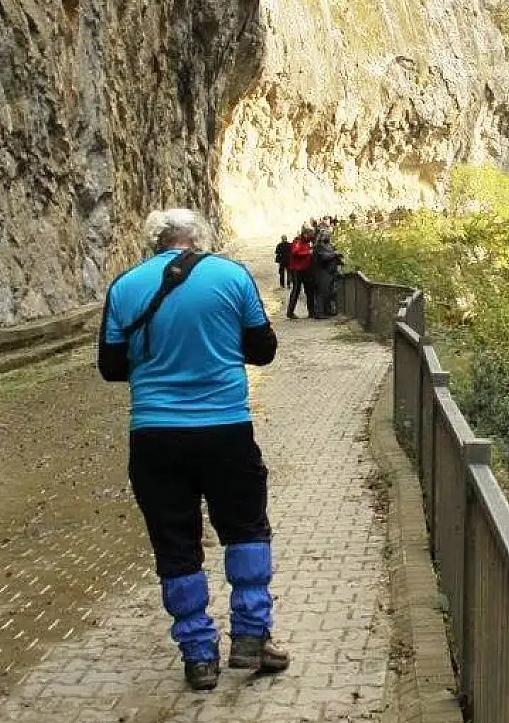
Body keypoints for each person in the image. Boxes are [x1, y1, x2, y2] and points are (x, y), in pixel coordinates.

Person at [98, 208, 288, 691]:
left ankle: (199, 657)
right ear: (199, 241)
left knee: (175, 543)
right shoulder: (232, 276)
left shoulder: (124, 287)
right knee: (245, 529)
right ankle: (249, 636)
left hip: (154, 437)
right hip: (225, 429)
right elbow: (263, 350)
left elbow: (111, 366)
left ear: (154, 243)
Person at [285, 229, 315, 319]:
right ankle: (290, 312)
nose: (310, 238)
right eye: (309, 236)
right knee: (296, 290)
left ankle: (311, 312)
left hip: (306, 269)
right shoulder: (298, 242)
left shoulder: (307, 243)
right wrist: (307, 253)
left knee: (309, 291)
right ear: (305, 235)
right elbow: (295, 252)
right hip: (297, 270)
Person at [311, 233, 342, 318]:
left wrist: (338, 258)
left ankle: (327, 310)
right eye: (325, 235)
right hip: (322, 272)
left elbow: (334, 256)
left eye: (328, 235)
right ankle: (319, 313)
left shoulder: (331, 246)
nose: (327, 237)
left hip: (331, 272)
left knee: (329, 293)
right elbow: (324, 257)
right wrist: (335, 254)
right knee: (322, 292)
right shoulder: (318, 247)